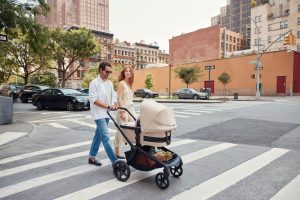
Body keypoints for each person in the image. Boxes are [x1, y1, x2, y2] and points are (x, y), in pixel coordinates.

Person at [88, 62, 118, 166]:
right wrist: (108, 106)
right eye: (107, 71)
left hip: (107, 114)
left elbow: (113, 96)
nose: (108, 74)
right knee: (105, 136)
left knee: (98, 136)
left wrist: (115, 104)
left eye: (110, 72)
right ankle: (115, 161)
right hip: (99, 114)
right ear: (101, 70)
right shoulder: (94, 83)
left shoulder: (109, 83)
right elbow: (94, 100)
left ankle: (91, 157)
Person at [114, 65, 137, 158]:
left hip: (131, 109)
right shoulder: (121, 83)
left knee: (135, 126)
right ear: (123, 73)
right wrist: (122, 112)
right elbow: (119, 98)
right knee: (121, 131)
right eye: (126, 71)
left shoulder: (130, 84)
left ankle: (134, 148)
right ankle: (117, 151)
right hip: (123, 109)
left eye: (130, 71)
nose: (128, 72)